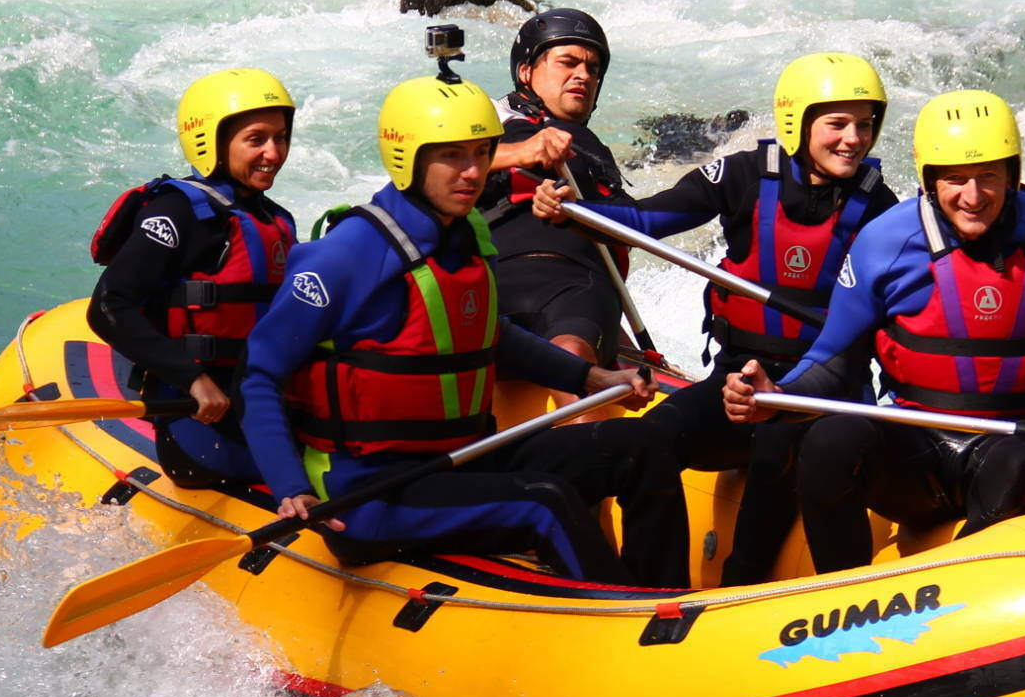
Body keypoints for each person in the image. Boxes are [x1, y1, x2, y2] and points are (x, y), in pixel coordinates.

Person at [724, 90, 1025, 576]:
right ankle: (843, 592)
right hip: (915, 453)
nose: (973, 197)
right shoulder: (887, 242)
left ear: (1012, 175)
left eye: (988, 177)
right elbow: (834, 361)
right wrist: (778, 396)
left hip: (1018, 452)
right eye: (955, 179)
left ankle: (971, 583)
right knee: (828, 440)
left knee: (1017, 459)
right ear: (929, 181)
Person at [237, 72, 690, 589]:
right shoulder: (346, 253)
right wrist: (290, 486)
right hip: (371, 495)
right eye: (452, 156)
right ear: (408, 158)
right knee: (545, 502)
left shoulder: (466, 235)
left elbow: (490, 337)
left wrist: (591, 377)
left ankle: (668, 599)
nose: (472, 172)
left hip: (465, 458)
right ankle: (621, 617)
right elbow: (258, 374)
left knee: (641, 444)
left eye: (481, 153)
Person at [532, 52, 898, 585]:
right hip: (735, 380)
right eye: (837, 124)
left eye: (864, 125)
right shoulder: (744, 175)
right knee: (649, 441)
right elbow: (646, 219)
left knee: (775, 443)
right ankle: (651, 586)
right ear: (797, 122)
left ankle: (739, 585)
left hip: (820, 396)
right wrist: (572, 210)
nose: (853, 139)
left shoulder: (881, 209)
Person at [87, 67, 299, 488]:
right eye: (256, 139)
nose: (274, 153)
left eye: (280, 137)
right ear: (211, 141)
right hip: (198, 416)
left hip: (263, 405)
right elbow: (108, 306)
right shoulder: (178, 212)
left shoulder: (275, 218)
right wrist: (193, 379)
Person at [476, 8, 636, 365]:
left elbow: (630, 228)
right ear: (526, 71)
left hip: (574, 287)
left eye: (593, 69)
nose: (583, 75)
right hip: (491, 286)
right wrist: (521, 152)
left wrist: (623, 345)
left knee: (571, 353)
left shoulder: (591, 151)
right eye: (568, 62)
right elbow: (425, 174)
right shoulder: (483, 123)